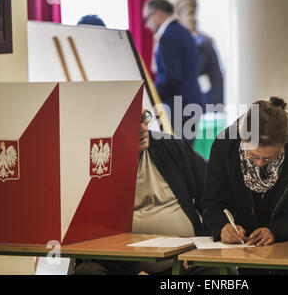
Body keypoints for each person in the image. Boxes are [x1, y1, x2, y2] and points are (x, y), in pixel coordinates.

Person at [74, 110, 212, 275]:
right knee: (87, 272)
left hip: (183, 263)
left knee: (221, 272)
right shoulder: (99, 163)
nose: (143, 128)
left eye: (144, 119)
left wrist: (203, 244)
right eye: (133, 122)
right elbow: (90, 232)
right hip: (124, 266)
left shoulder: (170, 146)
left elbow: (213, 193)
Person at [202, 97, 288, 275]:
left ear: (285, 144)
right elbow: (211, 204)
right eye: (252, 155)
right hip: (251, 251)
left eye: (269, 158)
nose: (260, 163)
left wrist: (277, 230)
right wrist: (222, 227)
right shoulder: (225, 145)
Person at [143, 0, 204, 143]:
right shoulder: (184, 32)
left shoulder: (168, 36)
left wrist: (151, 97)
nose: (147, 25)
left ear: (157, 14)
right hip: (191, 102)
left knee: (177, 157)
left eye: (147, 18)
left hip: (179, 107)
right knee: (185, 154)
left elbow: (172, 76)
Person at [175, 0, 225, 109]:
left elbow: (192, 70)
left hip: (208, 103)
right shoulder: (195, 40)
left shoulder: (202, 42)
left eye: (190, 12)